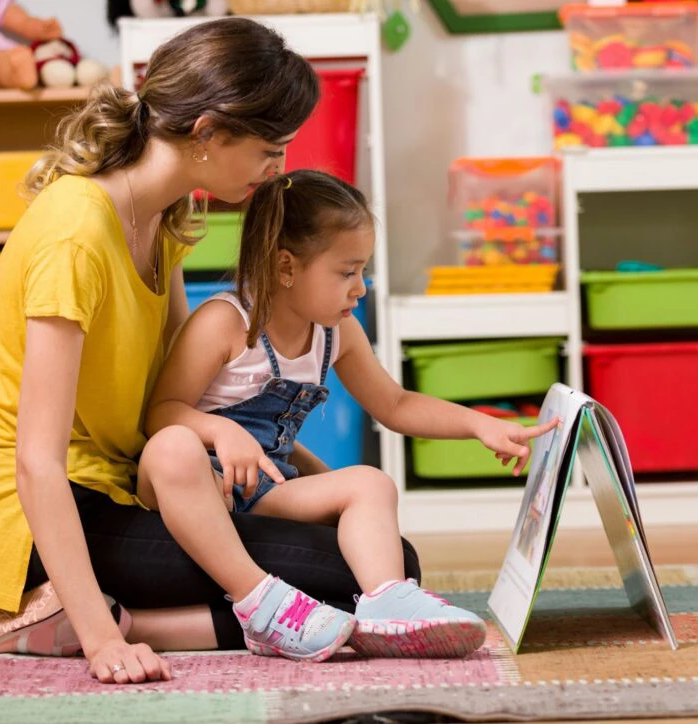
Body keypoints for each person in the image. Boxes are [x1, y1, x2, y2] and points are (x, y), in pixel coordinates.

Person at [0, 17, 417, 685]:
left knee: (381, 566)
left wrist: (303, 477)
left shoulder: (159, 221)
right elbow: (36, 461)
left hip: (126, 481)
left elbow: (187, 396)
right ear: (209, 131)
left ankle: (88, 616)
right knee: (346, 576)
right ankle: (86, 620)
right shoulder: (75, 234)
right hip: (34, 515)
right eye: (269, 149)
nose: (278, 170)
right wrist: (106, 644)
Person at [142, 169, 559, 660]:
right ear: (285, 267)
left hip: (263, 492)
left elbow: (396, 404)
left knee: (371, 482)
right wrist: (221, 430)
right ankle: (258, 604)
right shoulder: (224, 322)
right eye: (347, 272)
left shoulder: (336, 333)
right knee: (174, 448)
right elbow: (161, 413)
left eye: (362, 271)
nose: (360, 288)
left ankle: (388, 601)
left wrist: (477, 424)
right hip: (194, 482)